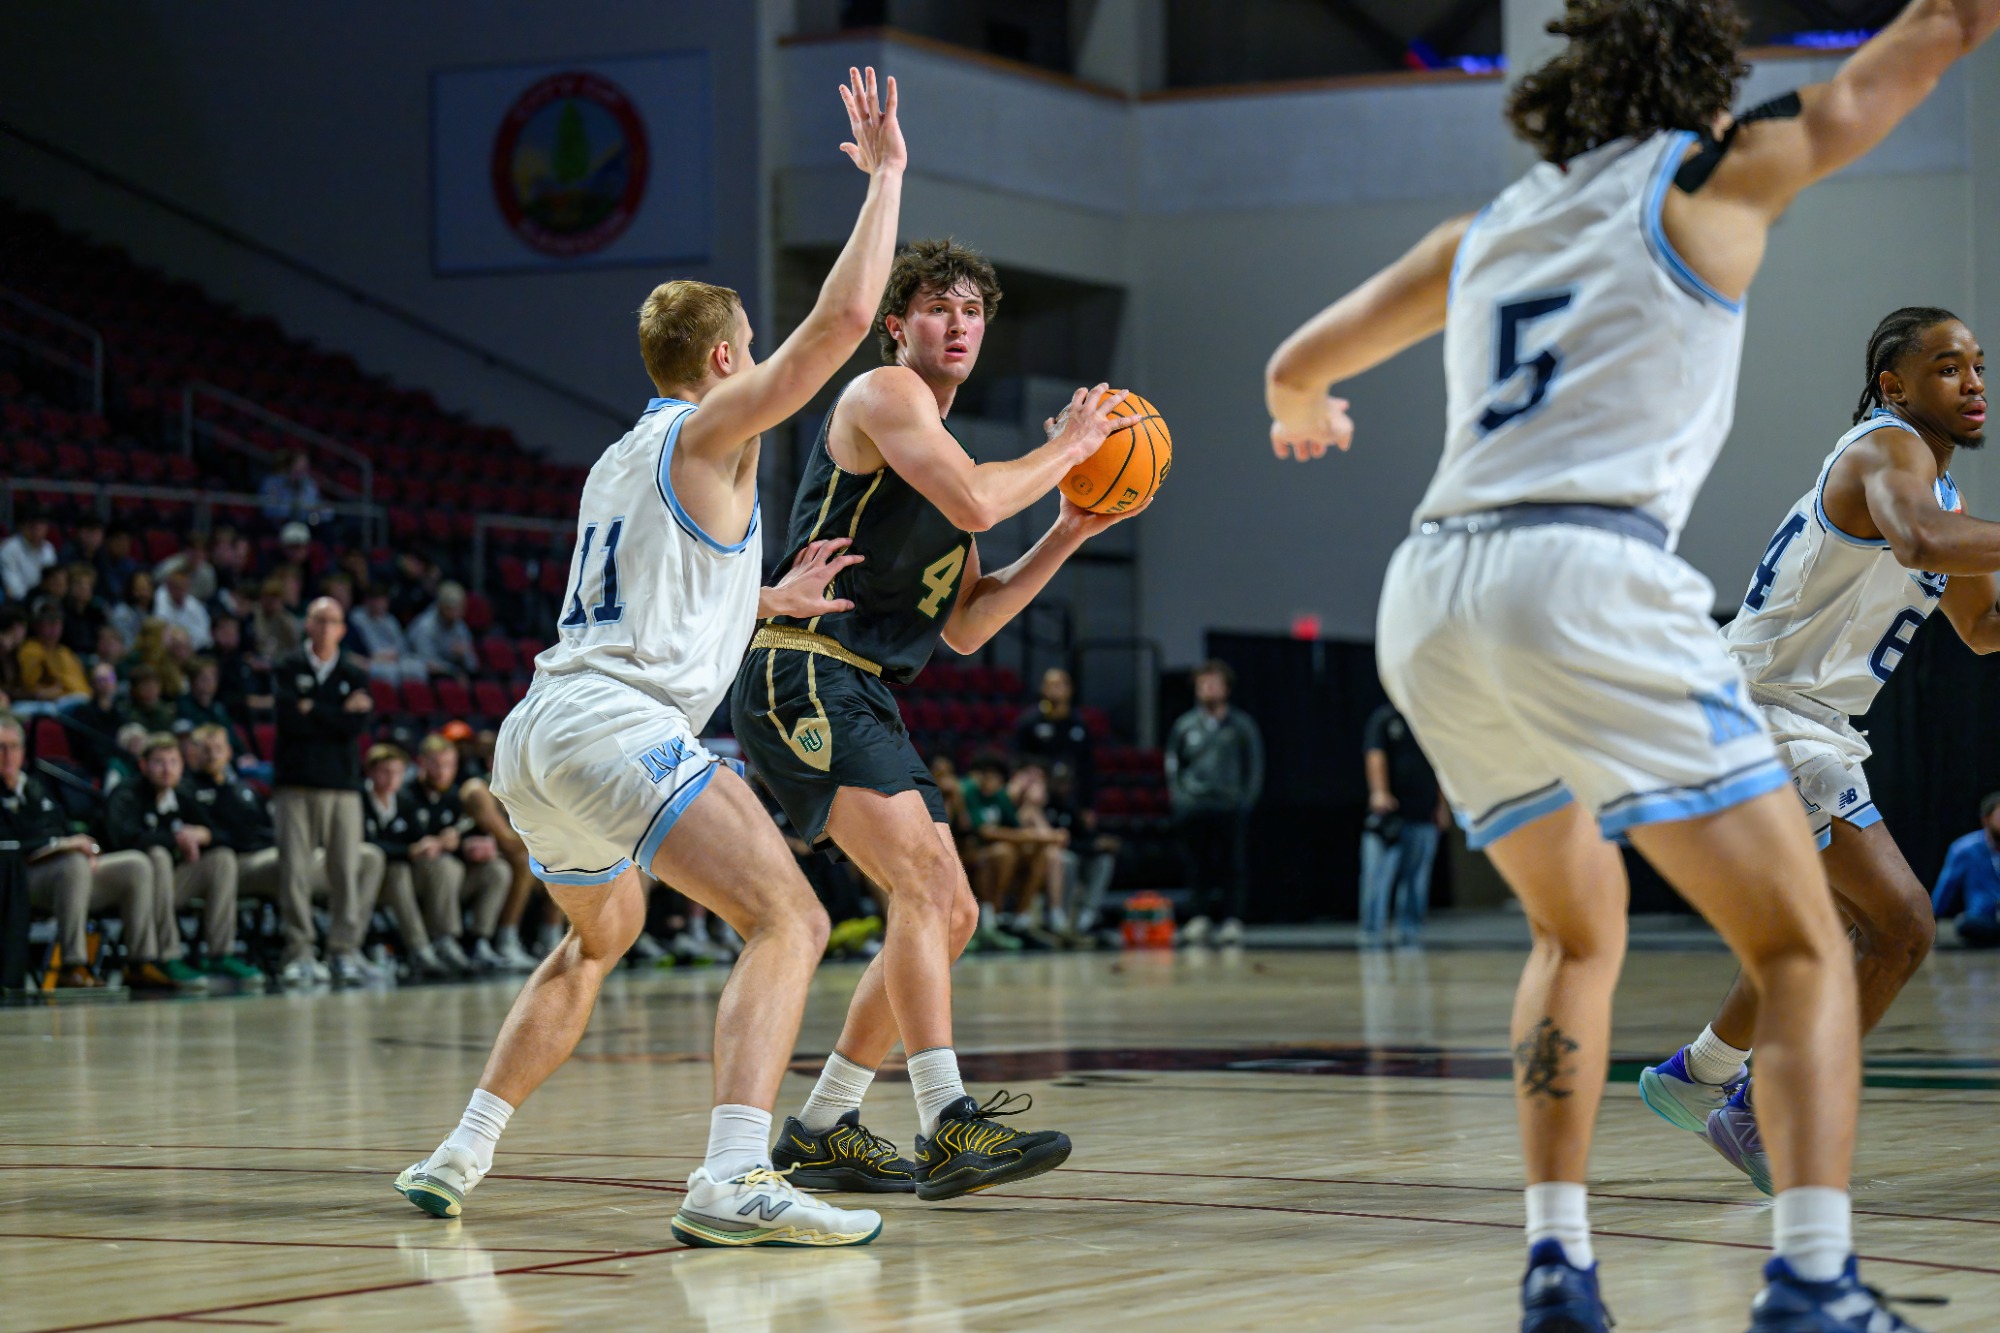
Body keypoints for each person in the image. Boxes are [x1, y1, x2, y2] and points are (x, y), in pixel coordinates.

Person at [1262, 4, 2000, 1327]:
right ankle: (1816, 1281)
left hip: (1432, 591)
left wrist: (1303, 415)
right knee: (1806, 947)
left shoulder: (1479, 233)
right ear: (1703, 96)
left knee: (1571, 927)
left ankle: (1558, 1263)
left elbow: (1292, 366)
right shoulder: (1709, 181)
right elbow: (1928, 35)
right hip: (1586, 573)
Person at [395, 67, 908, 1249]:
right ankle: (733, 1172)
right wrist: (883, 176)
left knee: (598, 936)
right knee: (790, 920)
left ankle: (458, 1150)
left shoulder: (621, 456)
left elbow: (655, 593)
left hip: (536, 735)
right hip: (617, 728)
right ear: (727, 359)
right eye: (750, 350)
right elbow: (837, 327)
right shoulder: (712, 426)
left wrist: (763, 594)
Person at [737, 232, 1138, 1201]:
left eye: (971, 310)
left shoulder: (939, 445)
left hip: (861, 685)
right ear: (895, 326)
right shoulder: (884, 397)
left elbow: (966, 622)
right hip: (805, 670)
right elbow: (968, 498)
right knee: (924, 887)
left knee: (949, 911)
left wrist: (1067, 528)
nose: (956, 324)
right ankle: (945, 1120)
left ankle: (827, 1122)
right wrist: (1072, 446)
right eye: (936, 308)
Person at [1641, 308, 1992, 1188]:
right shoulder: (1887, 451)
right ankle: (1759, 1105)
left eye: (1979, 366)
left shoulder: (1939, 496)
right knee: (1902, 924)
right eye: (1948, 367)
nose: (1974, 383)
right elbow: (1921, 543)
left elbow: (1984, 627)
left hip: (1804, 720)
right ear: (1894, 386)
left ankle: (1705, 1074)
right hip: (1763, 708)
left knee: (1842, 927)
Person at [0, 712, 167, 989]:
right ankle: (72, 964)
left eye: (14, 747)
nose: (8, 755)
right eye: (1, 748)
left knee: (136, 865)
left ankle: (140, 961)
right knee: (73, 864)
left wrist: (88, 846)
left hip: (65, 874)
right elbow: (9, 844)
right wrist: (60, 846)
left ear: (23, 750)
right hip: (19, 880)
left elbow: (65, 828)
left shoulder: (35, 786)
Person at [271, 596, 378, 987]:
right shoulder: (286, 667)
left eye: (333, 620)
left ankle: (343, 951)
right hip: (294, 784)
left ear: (343, 629)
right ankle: (299, 952)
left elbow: (355, 726)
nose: (325, 627)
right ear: (307, 625)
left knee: (345, 871)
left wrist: (312, 709)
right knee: (294, 870)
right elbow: (287, 720)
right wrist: (336, 712)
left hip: (343, 785)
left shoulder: (355, 671)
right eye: (319, 619)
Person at [104, 731, 255, 987]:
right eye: (159, 762)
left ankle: (220, 952)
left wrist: (201, 834)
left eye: (173, 762)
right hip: (133, 888)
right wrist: (173, 838)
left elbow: (223, 835)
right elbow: (120, 837)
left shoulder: (182, 795)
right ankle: (167, 955)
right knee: (158, 856)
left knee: (222, 858)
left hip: (170, 886)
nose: (167, 770)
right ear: (143, 765)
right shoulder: (127, 794)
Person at [1165, 660, 1263, 947]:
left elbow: (1254, 767)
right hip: (1194, 806)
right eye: (1203, 684)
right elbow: (1173, 765)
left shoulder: (1241, 726)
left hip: (1229, 806)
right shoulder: (1184, 726)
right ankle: (1199, 918)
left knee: (1232, 865)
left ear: (1226, 689)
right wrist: (1180, 799)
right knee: (1197, 865)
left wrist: (1245, 800)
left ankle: (1232, 920)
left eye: (1214, 683)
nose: (1208, 688)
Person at [406, 734, 511, 975]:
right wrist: (422, 845)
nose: (444, 771)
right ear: (422, 763)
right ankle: (445, 939)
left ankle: (479, 941)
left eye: (450, 765)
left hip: (453, 880)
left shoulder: (454, 797)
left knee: (497, 869)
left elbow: (464, 835)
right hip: (417, 878)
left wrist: (469, 845)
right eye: (437, 764)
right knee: (446, 867)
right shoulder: (407, 796)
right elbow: (399, 841)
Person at [362, 743, 453, 979]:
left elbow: (417, 839)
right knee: (398, 870)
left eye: (398, 772)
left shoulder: (403, 801)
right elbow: (366, 843)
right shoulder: (360, 800)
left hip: (401, 882)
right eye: (385, 771)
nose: (392, 778)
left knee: (441, 866)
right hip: (365, 880)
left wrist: (434, 844)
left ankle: (444, 940)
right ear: (371, 772)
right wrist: (409, 850)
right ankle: (419, 948)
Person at [1361, 702, 1444, 948]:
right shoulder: (1385, 718)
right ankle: (1372, 932)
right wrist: (1379, 792)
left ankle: (1410, 930)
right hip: (1391, 815)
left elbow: (1441, 764)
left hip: (1423, 811)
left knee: (1417, 878)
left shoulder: (1430, 719)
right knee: (1378, 876)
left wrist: (1441, 806)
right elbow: (1375, 754)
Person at [1932, 794, 2000, 947]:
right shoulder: (1965, 849)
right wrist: (1932, 920)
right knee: (1966, 923)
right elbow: (1945, 889)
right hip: (1984, 918)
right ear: (1986, 820)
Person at [349, 586, 426, 685]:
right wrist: (382, 656)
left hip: (395, 660)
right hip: (372, 660)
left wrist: (396, 654)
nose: (380, 604)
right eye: (376, 600)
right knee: (389, 673)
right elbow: (365, 646)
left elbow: (402, 647)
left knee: (418, 667)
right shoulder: (358, 618)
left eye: (382, 600)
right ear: (368, 601)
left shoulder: (390, 620)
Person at [17, 599, 90, 704]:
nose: (55, 625)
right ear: (37, 624)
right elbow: (30, 686)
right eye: (49, 620)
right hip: (55, 704)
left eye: (58, 620)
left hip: (82, 700)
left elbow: (82, 685)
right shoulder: (30, 650)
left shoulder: (65, 652)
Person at [407, 581, 479, 678]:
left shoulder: (460, 626)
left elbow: (473, 665)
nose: (456, 614)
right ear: (441, 606)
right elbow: (428, 664)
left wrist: (463, 656)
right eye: (451, 609)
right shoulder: (425, 626)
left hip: (450, 674)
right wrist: (454, 671)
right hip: (421, 678)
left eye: (459, 609)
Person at [0, 511, 57, 602]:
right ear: (22, 527)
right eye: (33, 525)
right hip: (19, 602)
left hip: (44, 601)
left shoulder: (48, 549)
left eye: (41, 525)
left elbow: (51, 583)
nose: (37, 529)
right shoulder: (9, 549)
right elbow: (13, 588)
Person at [152, 567, 213, 652]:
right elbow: (161, 630)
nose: (181, 591)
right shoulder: (161, 600)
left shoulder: (195, 605)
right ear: (169, 587)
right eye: (177, 587)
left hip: (194, 650)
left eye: (184, 587)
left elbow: (205, 636)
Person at [260, 452, 325, 526]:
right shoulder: (273, 482)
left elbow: (317, 507)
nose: (302, 468)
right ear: (290, 465)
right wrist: (289, 510)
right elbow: (268, 509)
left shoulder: (310, 484)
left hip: (305, 523)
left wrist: (315, 513)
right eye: (299, 464)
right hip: (278, 523)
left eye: (305, 465)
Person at [60, 563, 107, 658]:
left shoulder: (97, 612)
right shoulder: (62, 611)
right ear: (70, 586)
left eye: (88, 584)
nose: (84, 588)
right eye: (79, 583)